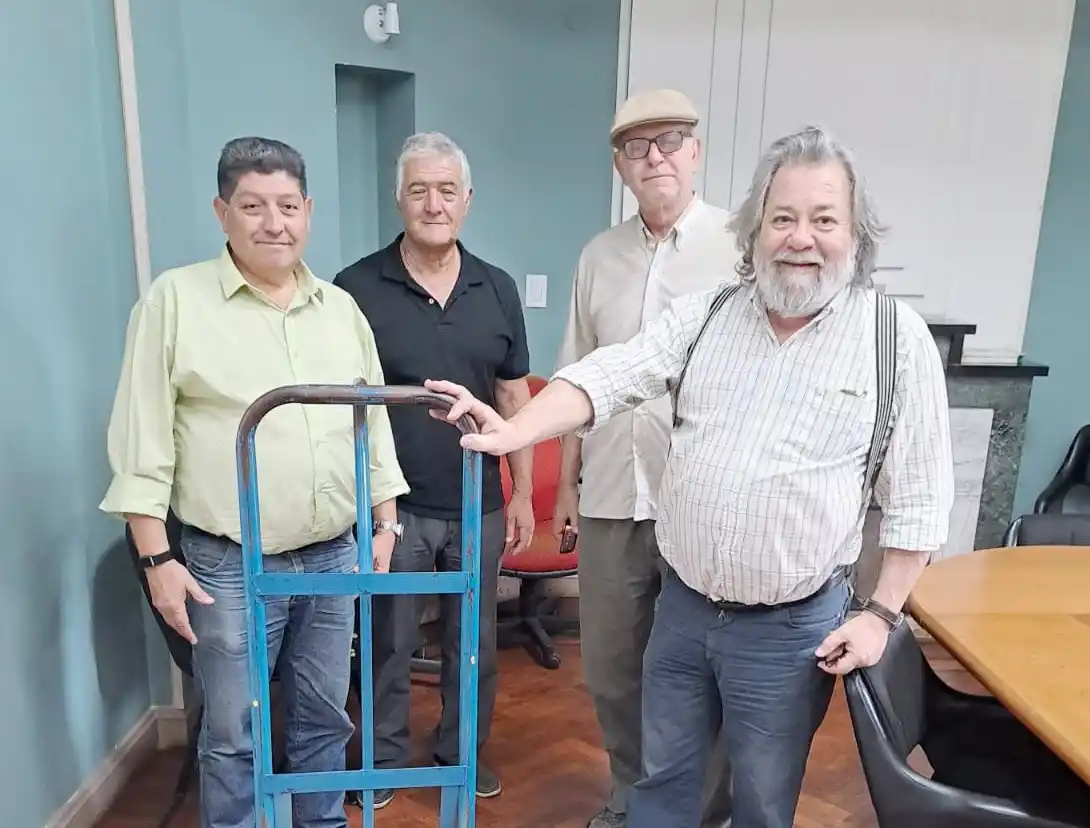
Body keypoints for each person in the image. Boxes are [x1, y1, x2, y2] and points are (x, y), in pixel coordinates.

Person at [423, 124, 956, 828]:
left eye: (824, 220)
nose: (801, 238)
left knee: (763, 800)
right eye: (783, 218)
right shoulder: (707, 317)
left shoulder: (894, 339)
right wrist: (514, 429)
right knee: (662, 782)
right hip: (685, 611)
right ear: (755, 230)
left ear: (857, 235)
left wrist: (883, 616)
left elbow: (919, 496)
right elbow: (610, 373)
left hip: (791, 630)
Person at [99, 137, 410, 828]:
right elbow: (141, 439)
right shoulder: (174, 302)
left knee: (324, 721)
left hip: (333, 553)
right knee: (236, 735)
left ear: (309, 212)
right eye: (253, 206)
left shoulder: (339, 309)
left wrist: (384, 523)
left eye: (288, 206)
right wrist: (156, 558)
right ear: (222, 212)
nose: (274, 223)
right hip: (228, 561)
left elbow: (374, 426)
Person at [334, 132, 534, 809]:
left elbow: (513, 399)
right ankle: (382, 760)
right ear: (399, 199)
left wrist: (525, 493)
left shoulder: (497, 289)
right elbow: (340, 409)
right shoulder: (355, 287)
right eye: (419, 189)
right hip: (393, 509)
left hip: (478, 502)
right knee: (386, 642)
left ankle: (461, 756)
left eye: (447, 190)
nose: (433, 203)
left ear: (467, 200)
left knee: (471, 646)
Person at [554, 88, 736, 828]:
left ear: (695, 152)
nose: (654, 156)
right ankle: (633, 799)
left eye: (670, 141)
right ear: (620, 164)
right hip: (608, 499)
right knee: (612, 670)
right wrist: (566, 486)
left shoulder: (740, 246)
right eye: (637, 146)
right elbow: (577, 373)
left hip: (702, 502)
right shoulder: (599, 257)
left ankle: (702, 811)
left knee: (706, 671)